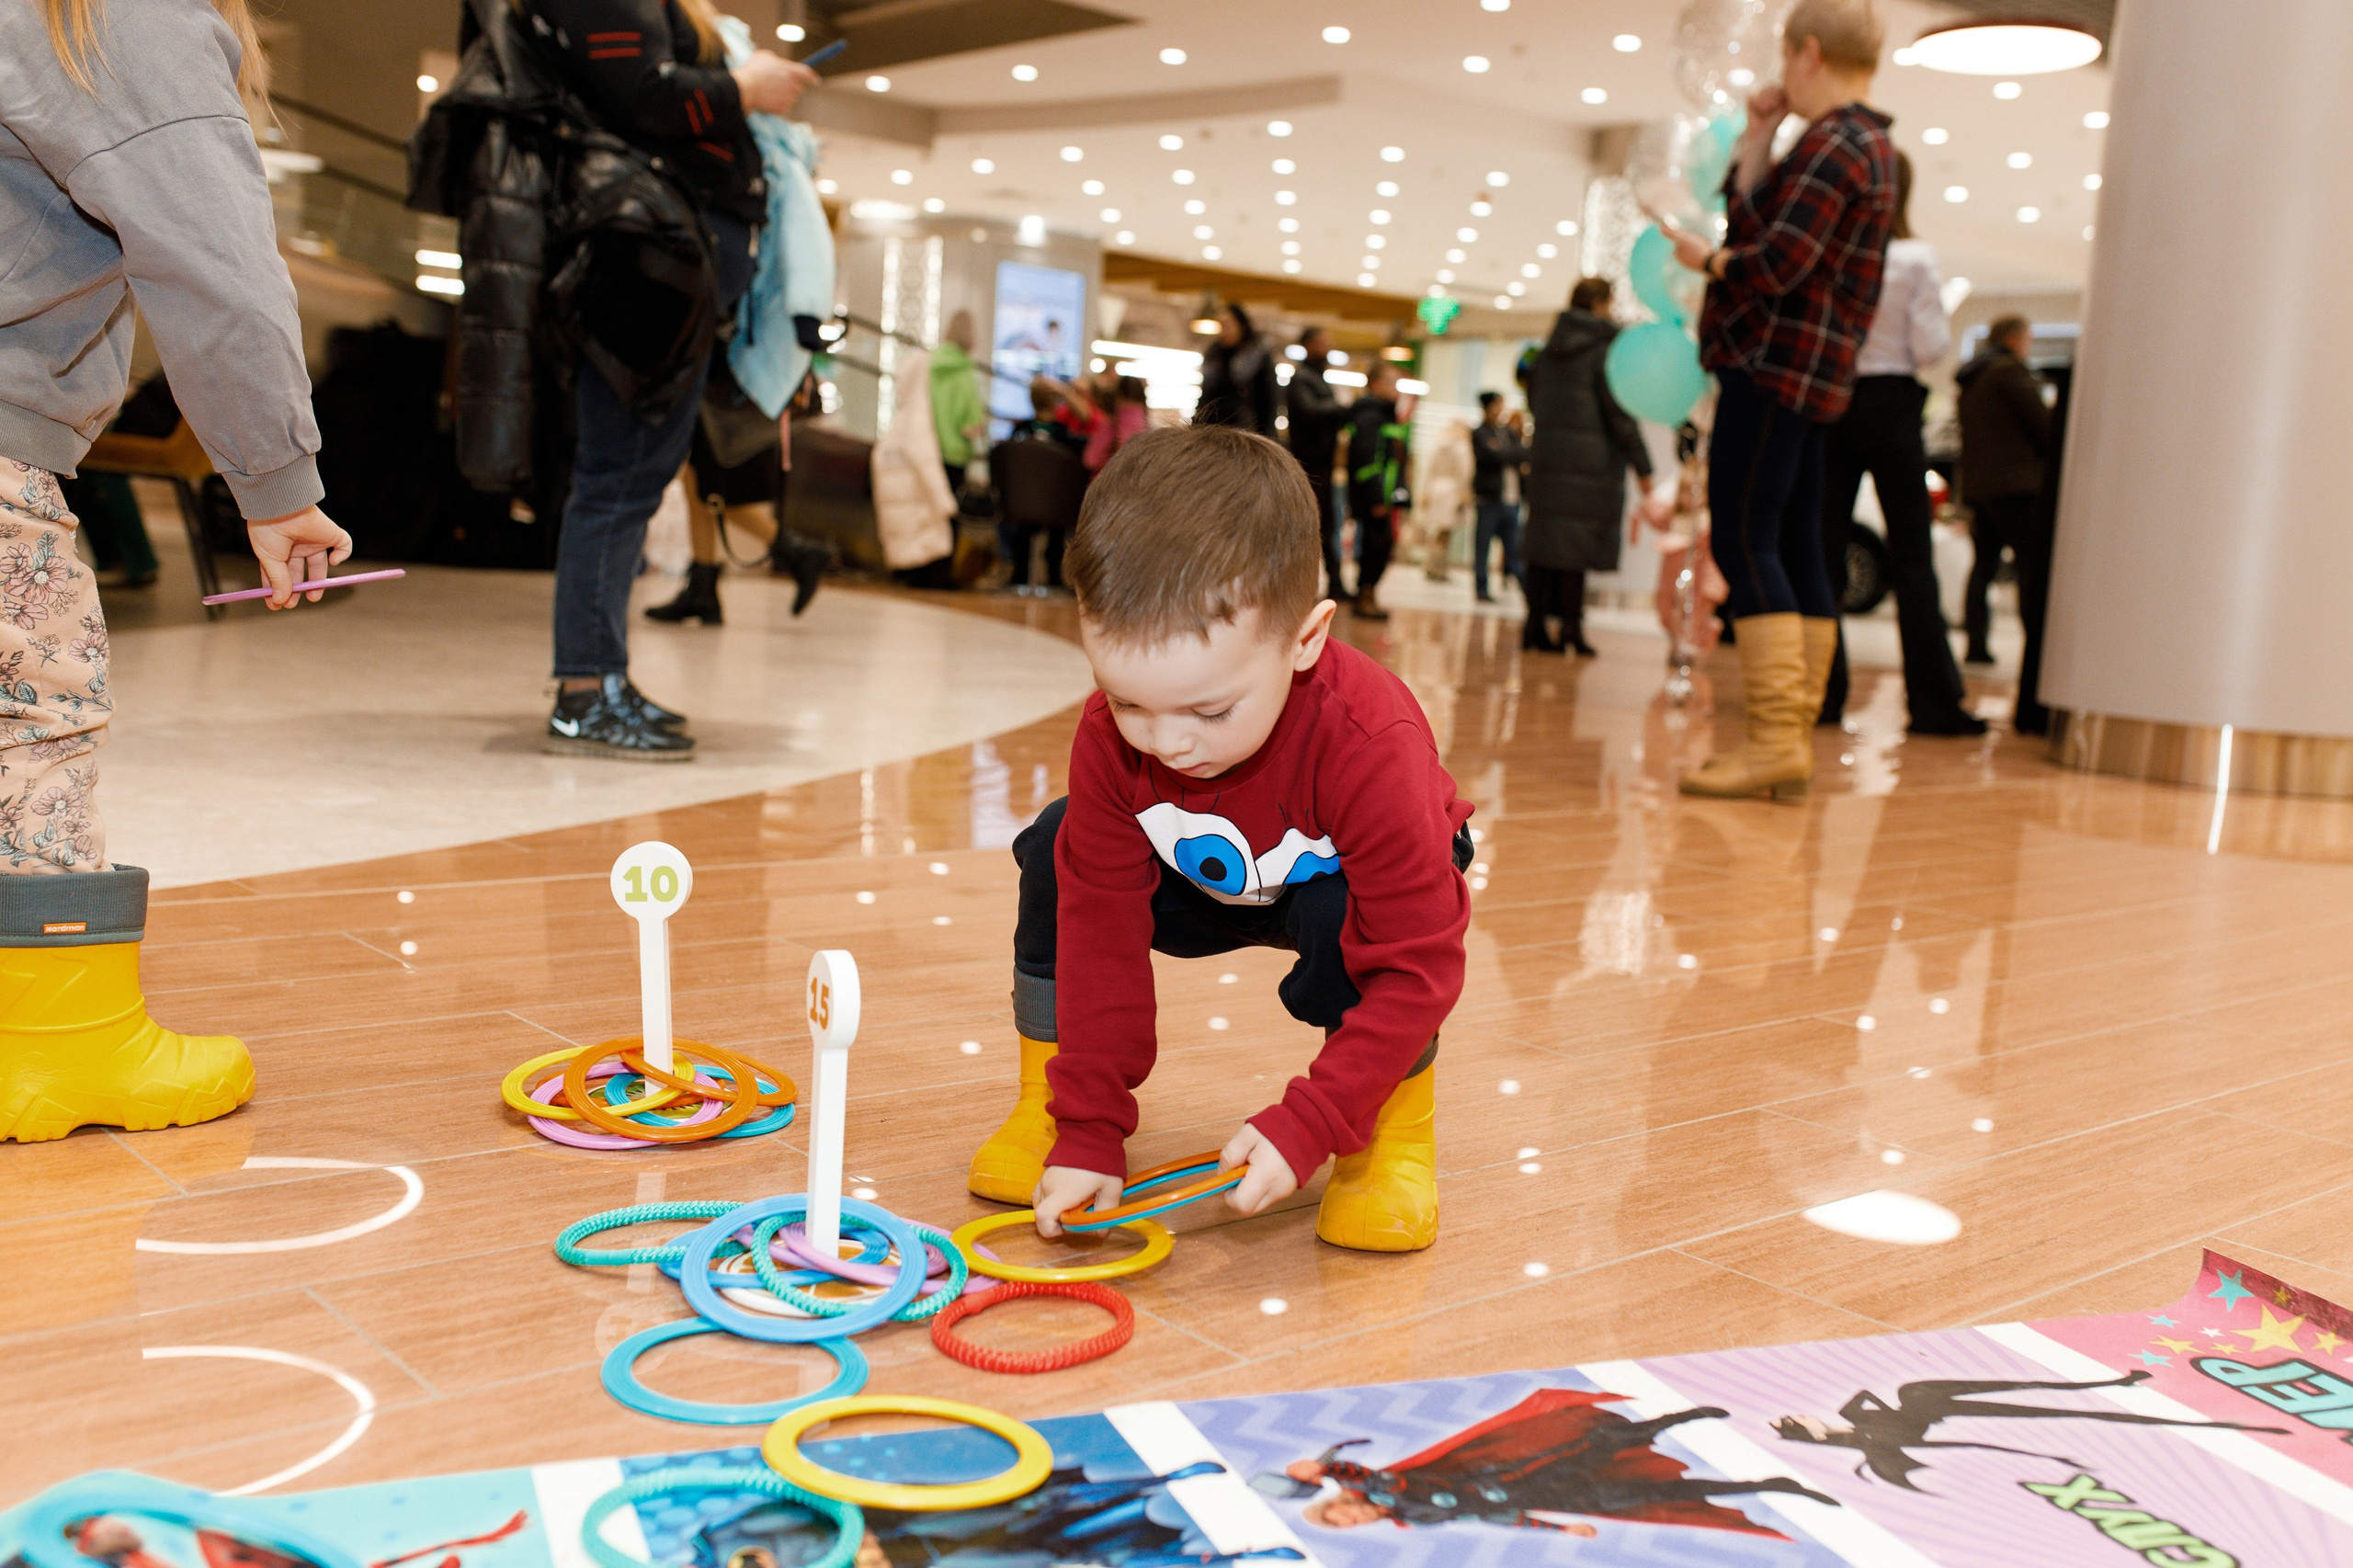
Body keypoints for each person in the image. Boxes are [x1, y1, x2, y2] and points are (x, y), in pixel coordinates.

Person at [964, 424, 1472, 1254]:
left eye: (1208, 710)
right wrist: (1088, 1128)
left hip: (1334, 889)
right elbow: (1100, 933)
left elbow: (1420, 964)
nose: (1167, 742)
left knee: (1351, 918)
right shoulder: (1112, 739)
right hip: (1203, 876)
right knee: (1057, 850)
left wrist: (1314, 1119)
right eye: (1128, 702)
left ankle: (1389, 1138)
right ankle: (1042, 1105)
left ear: (1306, 639)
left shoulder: (1370, 741)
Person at [2, 0, 354, 1142]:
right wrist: (277, 482)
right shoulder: (117, 14)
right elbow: (212, 256)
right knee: (29, 724)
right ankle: (64, 1048)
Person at [534, 0, 817, 761]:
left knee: (628, 478)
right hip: (643, 272)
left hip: (659, 273)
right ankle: (585, 691)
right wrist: (744, 88)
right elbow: (646, 95)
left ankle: (595, 682)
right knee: (618, 479)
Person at [1665, 0, 1894, 800]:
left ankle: (1774, 741)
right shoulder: (1862, 143)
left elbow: (1775, 260)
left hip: (1773, 366)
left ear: (1806, 52)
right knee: (1796, 543)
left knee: (1747, 539)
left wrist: (1709, 261)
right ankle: (1785, 739)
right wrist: (1761, 138)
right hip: (1809, 375)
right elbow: (1764, 220)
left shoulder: (1837, 145)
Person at [1816, 152, 1983, 734]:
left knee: (1824, 552)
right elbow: (1932, 346)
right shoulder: (1914, 257)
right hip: (1890, 405)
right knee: (1912, 558)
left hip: (1834, 402)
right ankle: (1933, 703)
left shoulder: (1835, 255)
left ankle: (1822, 695)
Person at [1522, 278, 1666, 654]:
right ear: (1599, 304)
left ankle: (1533, 626)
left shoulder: (1548, 351)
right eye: (1611, 302)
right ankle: (1571, 627)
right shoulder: (1604, 351)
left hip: (1549, 461)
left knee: (1543, 546)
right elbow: (1618, 414)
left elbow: (1535, 403)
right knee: (1574, 551)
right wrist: (1644, 466)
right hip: (1590, 465)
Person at [1955, 314, 2056, 732]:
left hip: (1980, 488)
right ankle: (2037, 653)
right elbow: (2045, 429)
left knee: (1983, 566)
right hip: (2016, 487)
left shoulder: (1971, 379)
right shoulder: (2010, 374)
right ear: (2015, 339)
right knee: (2031, 569)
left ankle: (1977, 645)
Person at [1344, 361, 1413, 622]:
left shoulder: (1386, 415)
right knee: (1374, 546)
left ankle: (1368, 593)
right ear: (1374, 384)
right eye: (1390, 382)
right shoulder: (1370, 416)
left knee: (1381, 545)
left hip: (1385, 495)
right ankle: (1364, 595)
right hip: (1374, 497)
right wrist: (1375, 498)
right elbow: (1366, 459)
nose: (1395, 388)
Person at [1284, 327, 1349, 594]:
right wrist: (1343, 410)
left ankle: (1334, 581)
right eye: (1324, 341)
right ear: (1309, 344)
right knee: (1308, 523)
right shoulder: (1301, 379)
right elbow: (1308, 412)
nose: (1329, 346)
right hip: (1307, 463)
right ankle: (1300, 583)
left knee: (1328, 523)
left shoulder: (1318, 378)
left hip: (1323, 462)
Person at [1468, 394, 1528, 607]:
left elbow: (1522, 453)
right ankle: (1481, 587)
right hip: (1489, 499)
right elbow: (1491, 456)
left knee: (1515, 548)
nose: (1500, 409)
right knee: (1482, 547)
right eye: (1497, 404)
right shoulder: (1480, 433)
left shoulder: (1507, 434)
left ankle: (1528, 591)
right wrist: (1507, 453)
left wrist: (1504, 452)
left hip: (1511, 501)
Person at [930, 308, 990, 494]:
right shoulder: (966, 373)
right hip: (955, 454)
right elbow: (971, 425)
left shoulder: (929, 364)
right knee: (950, 511)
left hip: (928, 446)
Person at [1195, 302, 1278, 434]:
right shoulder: (1213, 354)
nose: (1223, 330)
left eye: (1227, 325)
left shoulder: (1258, 354)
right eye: (1220, 325)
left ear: (1241, 326)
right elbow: (1206, 394)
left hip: (1249, 426)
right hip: (1215, 425)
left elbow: (1269, 397)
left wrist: (1267, 432)